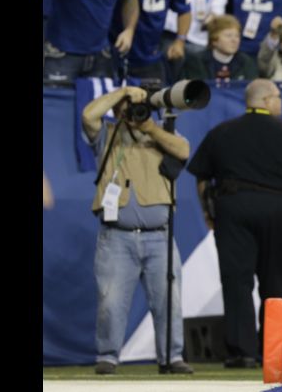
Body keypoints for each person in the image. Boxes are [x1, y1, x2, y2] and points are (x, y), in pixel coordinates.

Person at [187, 79, 282, 368]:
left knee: (236, 281)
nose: (280, 102)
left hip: (232, 210)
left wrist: (208, 213)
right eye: (277, 97)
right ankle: (272, 350)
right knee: (274, 280)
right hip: (279, 212)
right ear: (266, 100)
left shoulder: (221, 132)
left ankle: (242, 352)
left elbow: (202, 179)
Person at [81, 85, 193, 375]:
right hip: (116, 236)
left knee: (169, 299)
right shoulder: (107, 133)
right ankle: (108, 355)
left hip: (160, 235)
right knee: (111, 300)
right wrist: (122, 93)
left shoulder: (162, 134)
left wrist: (150, 128)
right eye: (126, 107)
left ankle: (172, 356)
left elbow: (183, 150)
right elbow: (88, 115)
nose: (131, 111)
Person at [178, 14, 259, 83]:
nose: (234, 40)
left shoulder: (246, 62)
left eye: (237, 36)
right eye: (228, 35)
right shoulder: (196, 62)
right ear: (214, 40)